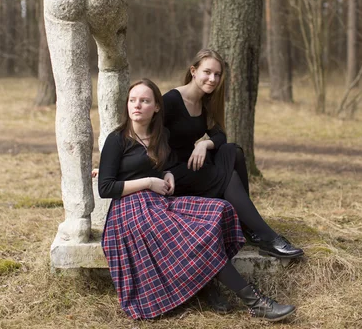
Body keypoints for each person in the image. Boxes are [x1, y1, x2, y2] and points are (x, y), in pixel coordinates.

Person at [96, 78, 296, 322]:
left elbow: (166, 166)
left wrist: (167, 175)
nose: (137, 106)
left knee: (220, 209)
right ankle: (256, 302)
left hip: (157, 203)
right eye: (132, 100)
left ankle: (210, 284)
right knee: (195, 239)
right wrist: (148, 182)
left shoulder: (160, 135)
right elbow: (106, 188)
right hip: (129, 214)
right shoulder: (116, 139)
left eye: (144, 101)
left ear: (156, 107)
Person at [163, 49, 304, 259]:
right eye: (207, 72)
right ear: (193, 71)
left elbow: (220, 136)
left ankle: (248, 225)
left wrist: (204, 144)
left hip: (194, 162)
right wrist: (161, 170)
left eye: (217, 74)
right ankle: (267, 237)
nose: (212, 79)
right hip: (174, 172)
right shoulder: (172, 100)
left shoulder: (206, 101)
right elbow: (150, 138)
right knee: (229, 177)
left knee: (233, 151)